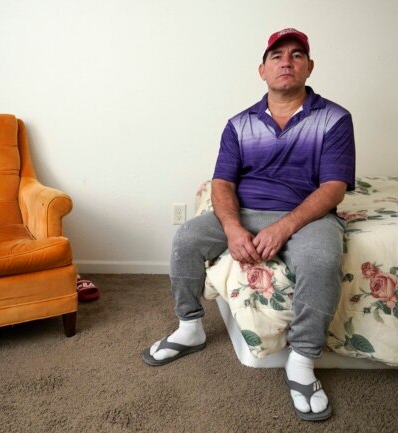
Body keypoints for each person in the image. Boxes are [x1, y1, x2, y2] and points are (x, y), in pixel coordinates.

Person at [141, 28, 355, 422]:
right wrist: (234, 228)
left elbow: (334, 187)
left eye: (295, 55)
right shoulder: (239, 124)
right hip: (247, 210)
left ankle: (302, 361)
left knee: (322, 260)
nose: (286, 62)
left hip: (307, 215)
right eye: (277, 56)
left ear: (309, 66)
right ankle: (190, 328)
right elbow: (223, 182)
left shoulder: (335, 119)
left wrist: (285, 227)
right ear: (262, 70)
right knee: (186, 238)